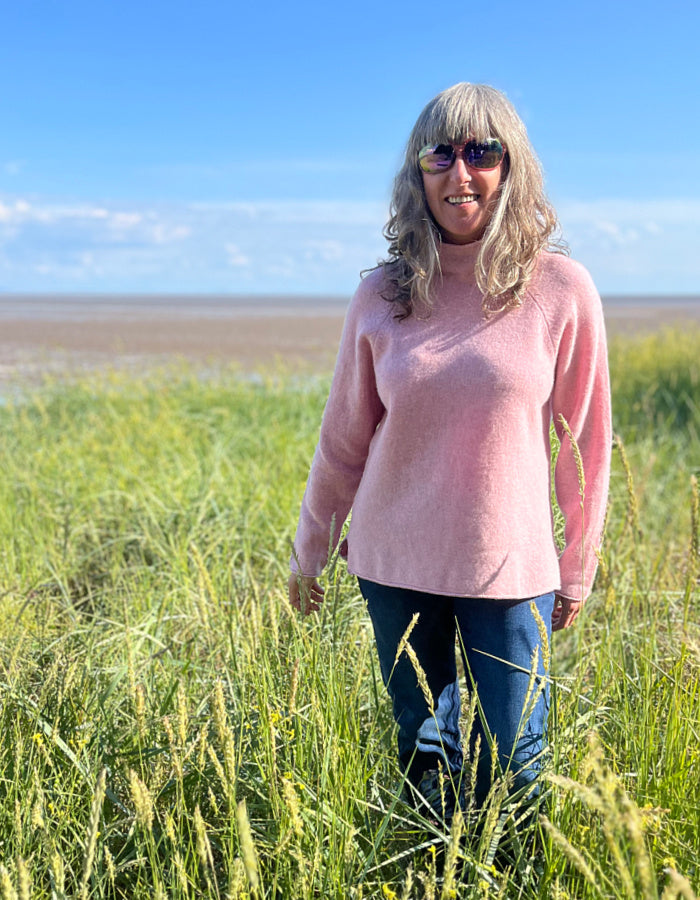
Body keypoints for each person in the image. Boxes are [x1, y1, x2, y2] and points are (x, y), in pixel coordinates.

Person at [288, 83, 611, 820]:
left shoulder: (561, 288)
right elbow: (344, 438)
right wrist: (310, 553)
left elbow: (583, 443)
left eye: (482, 152)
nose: (460, 173)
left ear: (510, 167)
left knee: (519, 764)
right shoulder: (382, 293)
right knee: (426, 757)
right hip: (394, 564)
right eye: (441, 153)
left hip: (508, 568)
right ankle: (432, 875)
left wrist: (578, 564)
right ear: (417, 171)